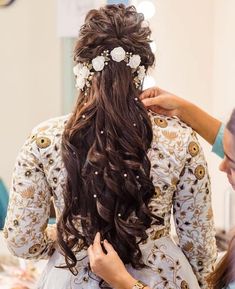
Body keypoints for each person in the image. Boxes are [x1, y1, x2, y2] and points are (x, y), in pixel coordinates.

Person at [3, 4, 217, 289]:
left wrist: (68, 236)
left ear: (81, 69)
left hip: (73, 273)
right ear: (141, 70)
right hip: (163, 276)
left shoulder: (44, 140)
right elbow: (199, 249)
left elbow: (21, 242)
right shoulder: (181, 139)